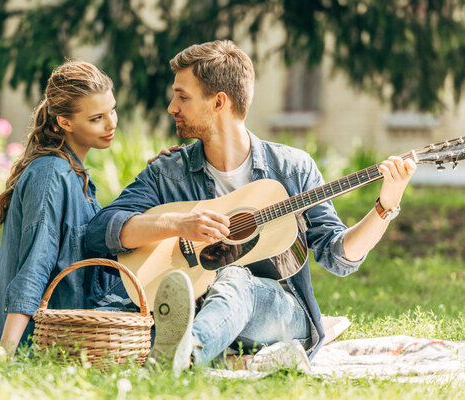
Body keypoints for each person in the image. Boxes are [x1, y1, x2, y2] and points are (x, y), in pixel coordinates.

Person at [86, 40, 416, 373]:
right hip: (197, 304)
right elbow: (102, 230)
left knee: (234, 279)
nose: (172, 107)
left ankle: (183, 357)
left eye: (182, 97)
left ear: (218, 102)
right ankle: (203, 352)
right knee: (194, 289)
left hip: (278, 311)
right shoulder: (169, 172)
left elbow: (337, 256)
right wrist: (177, 223)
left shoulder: (292, 168)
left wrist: (385, 207)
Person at [0, 61, 130, 355]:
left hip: (80, 318)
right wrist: (6, 351)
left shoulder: (73, 172)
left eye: (112, 110)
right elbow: (35, 263)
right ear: (65, 122)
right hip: (49, 337)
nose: (111, 123)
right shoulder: (51, 174)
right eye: (96, 119)